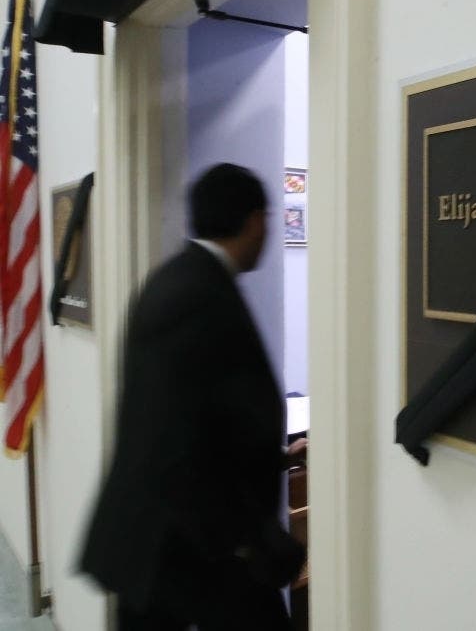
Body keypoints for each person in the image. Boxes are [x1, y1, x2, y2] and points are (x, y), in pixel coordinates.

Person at [80, 163, 306, 630]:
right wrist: (251, 539)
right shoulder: (198, 296)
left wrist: (280, 458)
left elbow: (209, 419)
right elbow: (178, 441)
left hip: (179, 540)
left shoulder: (181, 279)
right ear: (255, 221)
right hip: (185, 547)